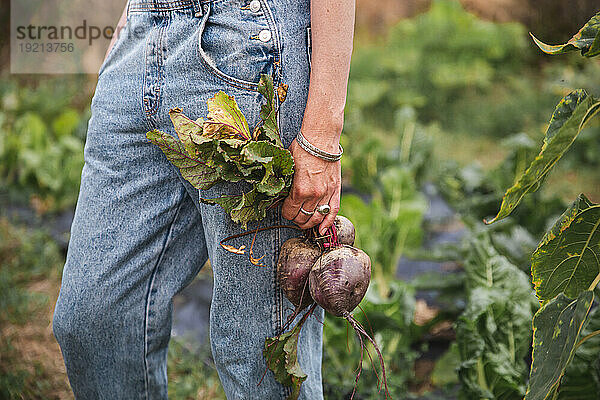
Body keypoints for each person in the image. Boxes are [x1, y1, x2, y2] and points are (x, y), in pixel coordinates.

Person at [52, 0, 355, 398]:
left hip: (248, 47)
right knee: (93, 319)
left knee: (258, 358)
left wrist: (322, 133)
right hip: (142, 37)